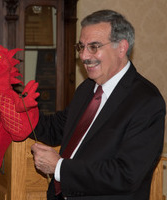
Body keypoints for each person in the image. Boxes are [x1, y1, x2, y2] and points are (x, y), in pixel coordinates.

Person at [30, 9, 166, 200]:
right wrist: (16, 111)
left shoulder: (146, 101)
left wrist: (59, 167)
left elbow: (126, 175)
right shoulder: (86, 89)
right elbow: (56, 128)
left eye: (94, 47)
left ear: (121, 48)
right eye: (81, 47)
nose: (84, 56)